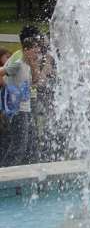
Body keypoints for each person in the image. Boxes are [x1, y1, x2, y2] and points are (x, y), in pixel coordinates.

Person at [0, 37, 41, 166]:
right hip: (17, 110)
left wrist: (34, 66)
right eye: (34, 51)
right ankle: (5, 173)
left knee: (30, 144)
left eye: (38, 52)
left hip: (26, 109)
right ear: (26, 50)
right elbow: (1, 72)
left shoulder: (28, 66)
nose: (37, 54)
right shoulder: (18, 64)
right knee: (18, 147)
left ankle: (27, 171)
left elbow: (35, 81)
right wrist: (8, 89)